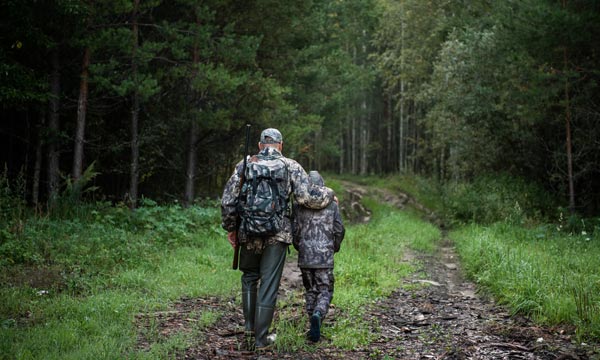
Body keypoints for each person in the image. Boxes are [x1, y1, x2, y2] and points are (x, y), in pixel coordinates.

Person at [221, 128, 335, 350]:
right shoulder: (290, 166)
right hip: (278, 234)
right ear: (280, 145)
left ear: (259, 144)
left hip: (248, 231)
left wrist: (231, 227)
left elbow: (228, 201)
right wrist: (329, 193)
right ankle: (261, 339)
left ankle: (248, 330)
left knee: (249, 277)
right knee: (269, 285)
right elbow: (307, 198)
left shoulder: (244, 164)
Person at [292, 171, 345, 342]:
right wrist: (333, 247)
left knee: (310, 290)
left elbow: (294, 232)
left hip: (306, 257)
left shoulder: (299, 206)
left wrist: (299, 247)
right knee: (325, 289)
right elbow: (339, 229)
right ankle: (318, 314)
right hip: (324, 257)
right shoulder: (332, 205)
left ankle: (312, 323)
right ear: (322, 184)